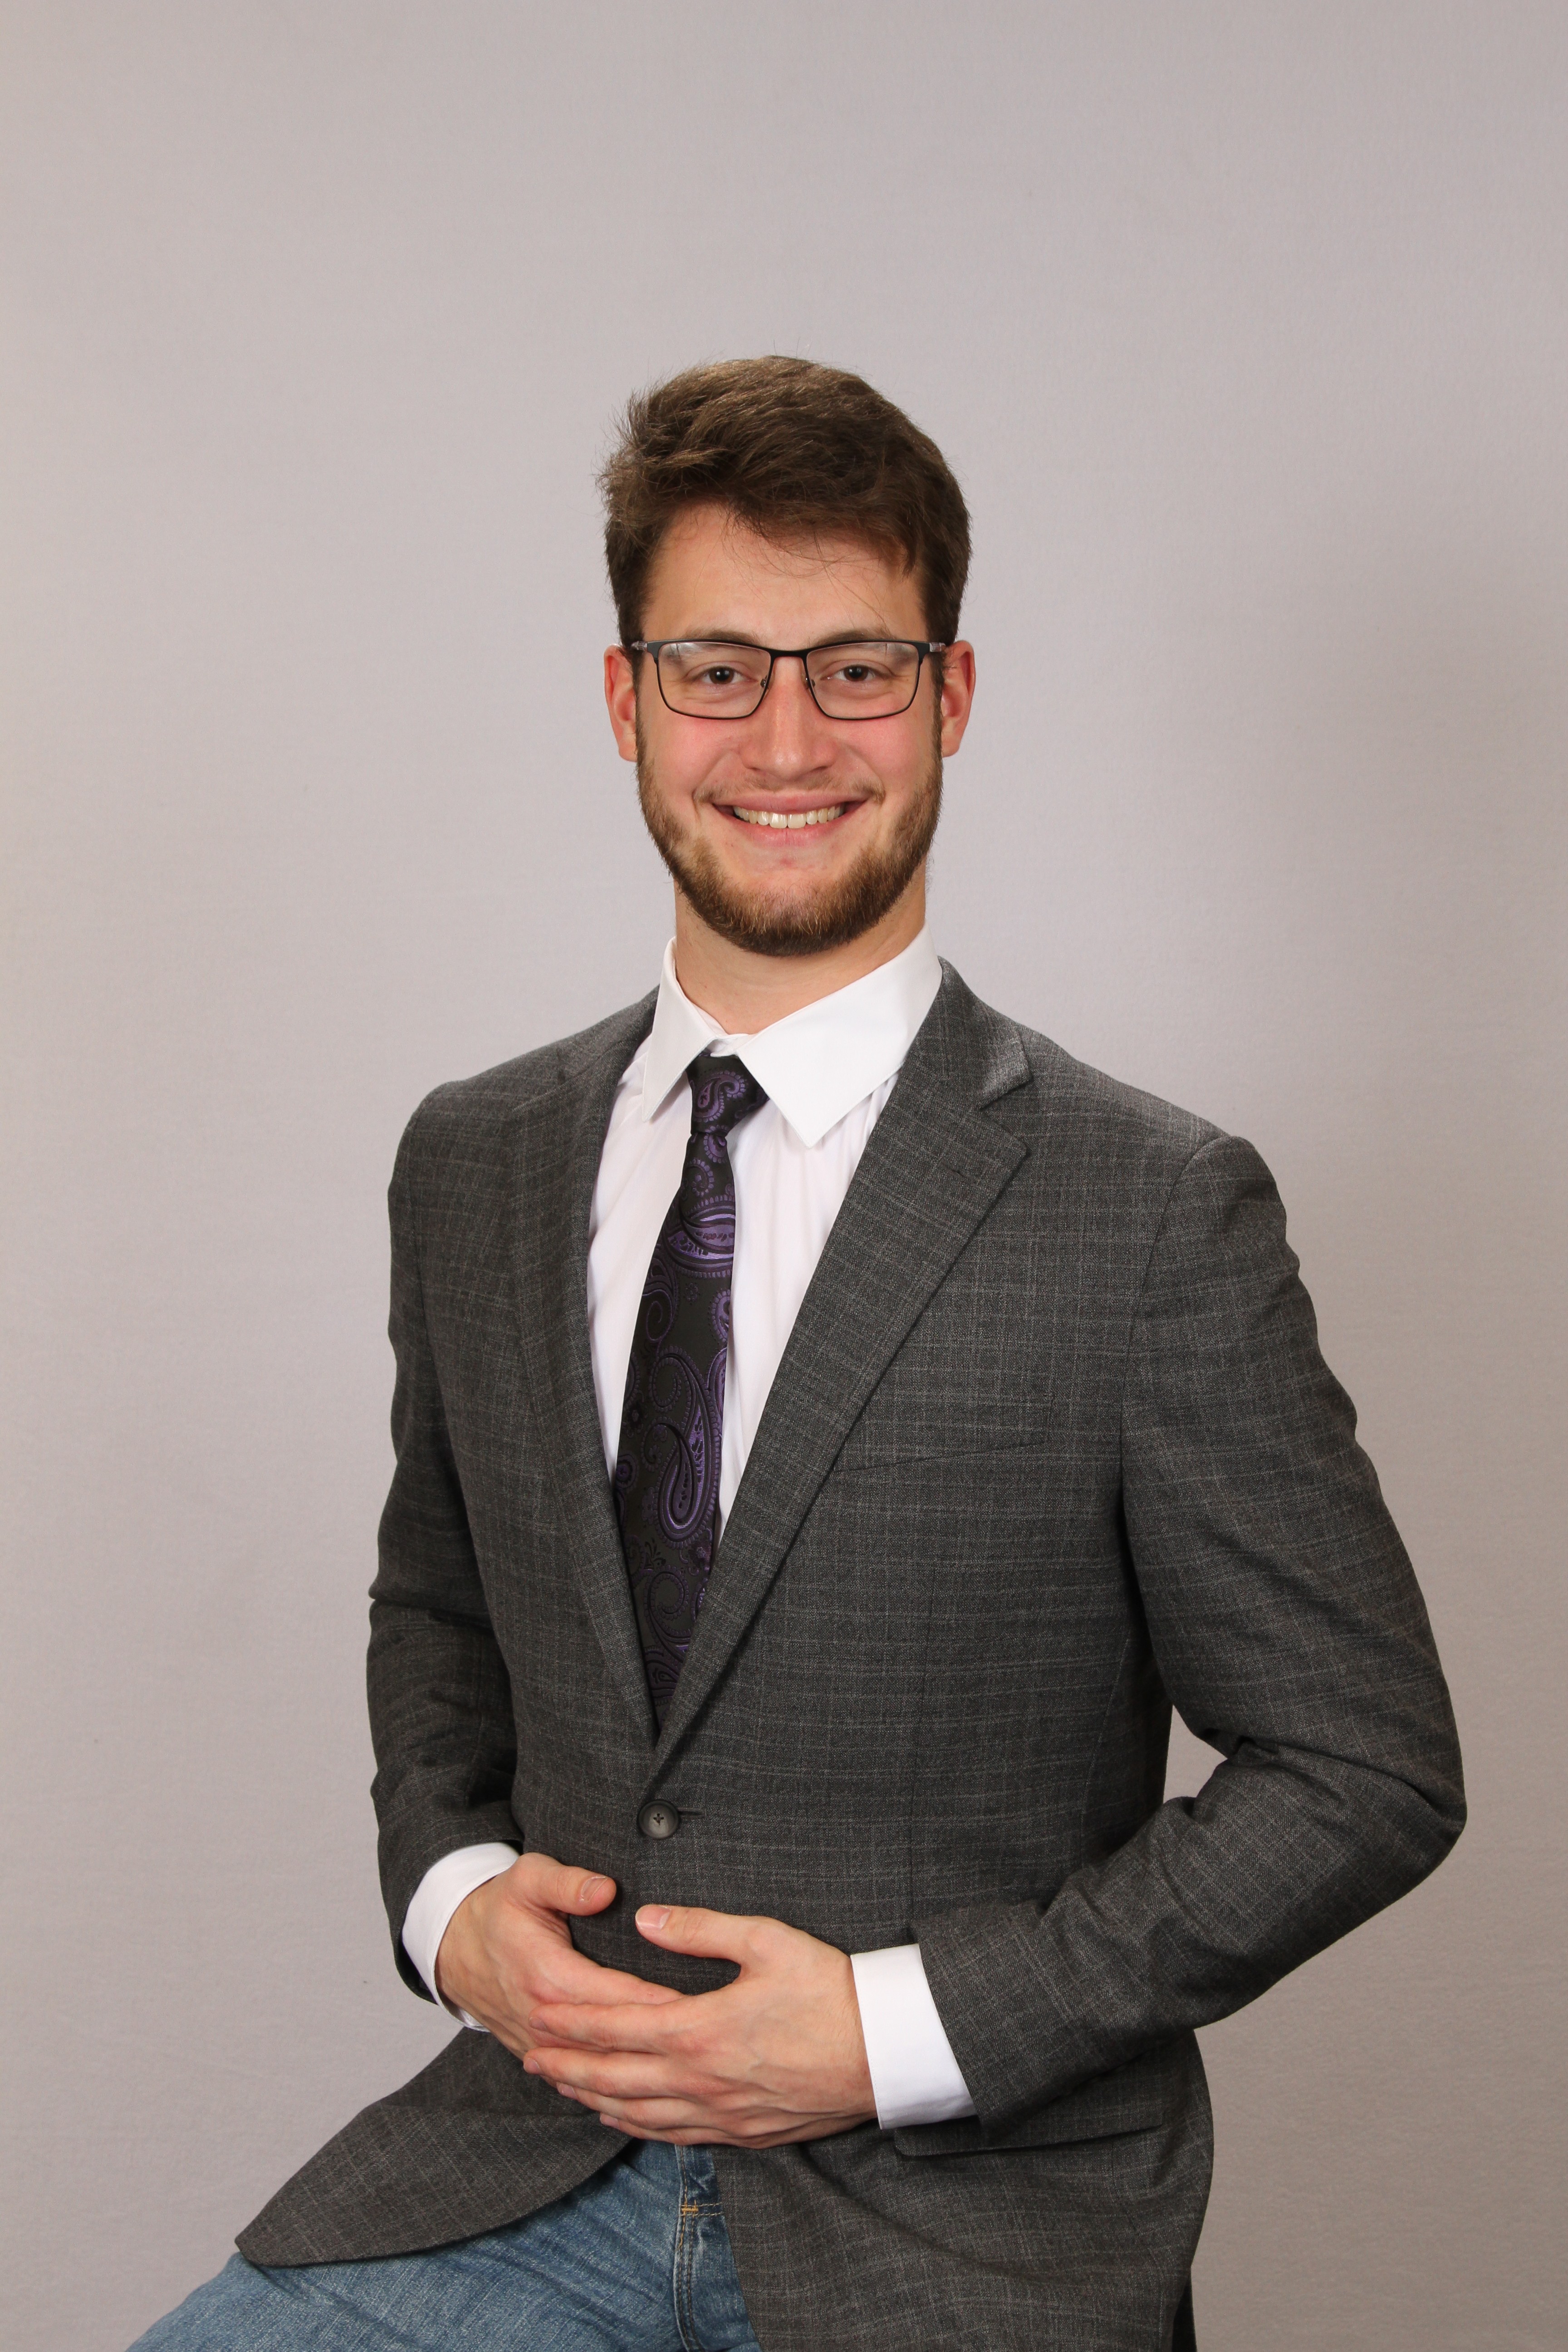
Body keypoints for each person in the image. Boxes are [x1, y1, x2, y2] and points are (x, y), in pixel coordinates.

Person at [133, 358, 1464, 2352]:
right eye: (715, 670)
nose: (784, 737)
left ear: (951, 697)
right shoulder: (475, 1162)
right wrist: (450, 1900)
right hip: (530, 2166)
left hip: (966, 2231)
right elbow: (440, 1605)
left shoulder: (1149, 1208)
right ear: (625, 702)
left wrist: (892, 2030)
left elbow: (1364, 1770)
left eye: (855, 669)